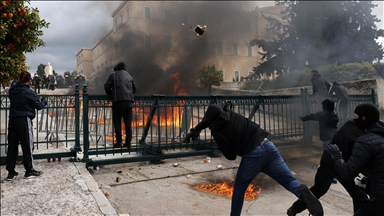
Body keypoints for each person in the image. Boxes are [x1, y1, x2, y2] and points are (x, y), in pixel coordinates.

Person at [183, 103, 324, 216]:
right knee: (289, 181)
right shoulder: (231, 114)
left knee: (239, 188)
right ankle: (301, 192)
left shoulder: (218, 132)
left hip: (253, 156)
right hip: (268, 146)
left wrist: (221, 146)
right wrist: (196, 129)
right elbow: (209, 119)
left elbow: (230, 157)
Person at [287, 119, 368, 215]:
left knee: (318, 189)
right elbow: (358, 159)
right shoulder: (360, 136)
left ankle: (294, 209)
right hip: (340, 166)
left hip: (327, 161)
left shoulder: (349, 124)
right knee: (360, 196)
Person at [325, 103, 384, 216]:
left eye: (356, 117)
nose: (354, 120)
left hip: (380, 202)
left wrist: (336, 156)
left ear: (363, 119)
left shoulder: (364, 141)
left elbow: (348, 173)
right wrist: (368, 182)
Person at [6, 71, 48, 181]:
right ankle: (29, 170)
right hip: (24, 119)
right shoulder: (28, 92)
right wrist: (44, 101)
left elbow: (14, 83)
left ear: (19, 78)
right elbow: (38, 106)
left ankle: (11, 172)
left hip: (12, 119)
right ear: (29, 80)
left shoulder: (12, 90)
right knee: (27, 145)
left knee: (12, 146)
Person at [104, 62, 137, 149]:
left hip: (118, 102)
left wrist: (111, 94)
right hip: (129, 102)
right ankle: (128, 143)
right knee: (128, 124)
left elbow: (107, 86)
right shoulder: (129, 76)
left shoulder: (113, 75)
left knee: (117, 123)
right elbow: (134, 89)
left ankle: (119, 142)